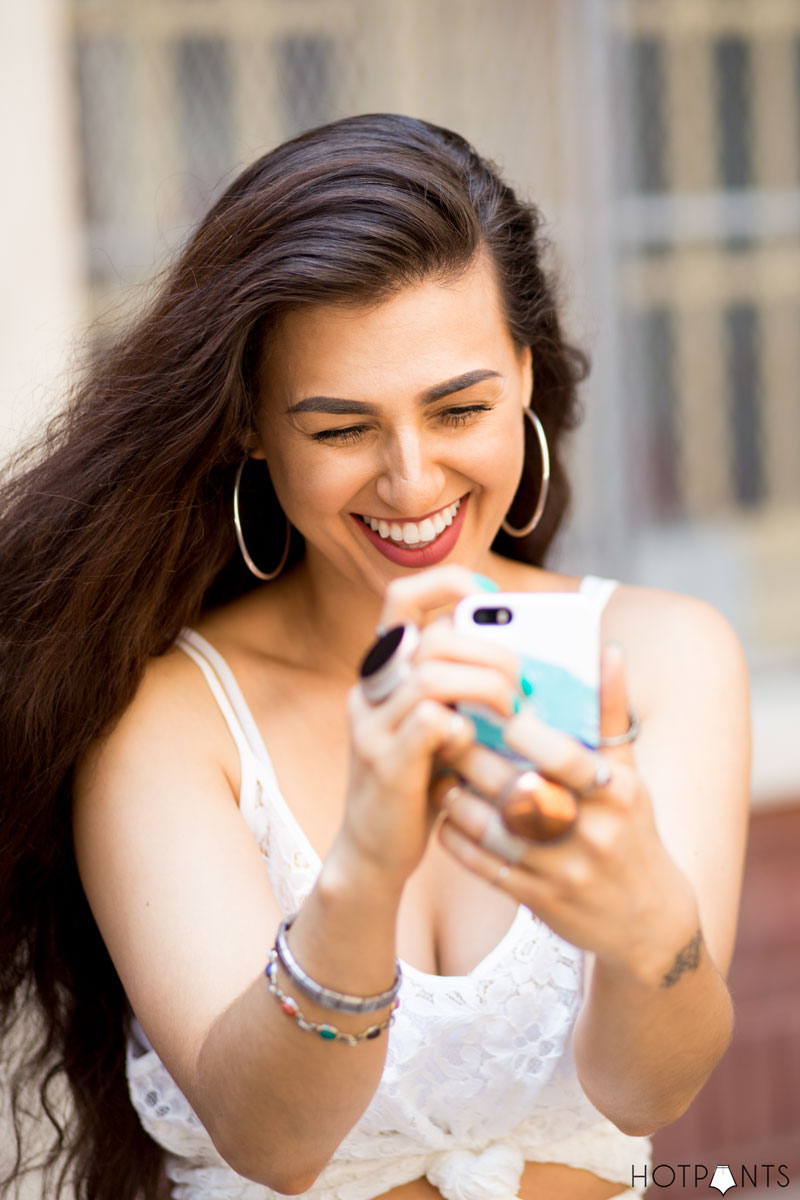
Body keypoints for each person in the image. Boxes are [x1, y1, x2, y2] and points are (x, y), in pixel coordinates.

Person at [0, 113, 750, 1200]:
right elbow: (272, 1137)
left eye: (458, 408)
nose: (410, 482)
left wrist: (649, 926)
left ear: (524, 380)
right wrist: (358, 867)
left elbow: (646, 1093)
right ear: (251, 425)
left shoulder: (665, 657)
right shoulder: (164, 716)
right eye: (341, 428)